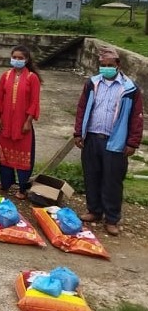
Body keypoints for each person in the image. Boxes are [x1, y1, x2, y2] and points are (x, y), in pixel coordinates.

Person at [73, 47, 143, 236]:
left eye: (109, 66)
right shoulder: (92, 83)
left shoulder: (129, 89)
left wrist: (132, 142)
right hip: (92, 137)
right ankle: (94, 210)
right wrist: (78, 132)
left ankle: (112, 218)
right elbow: (81, 108)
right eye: (102, 66)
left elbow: (137, 117)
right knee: (91, 175)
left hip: (115, 141)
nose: (106, 69)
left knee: (112, 180)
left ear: (118, 65)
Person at [0, 45, 41, 200]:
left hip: (22, 123)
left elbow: (34, 102)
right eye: (15, 57)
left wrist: (28, 122)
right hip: (5, 122)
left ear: (26, 60)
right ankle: (5, 183)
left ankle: (23, 188)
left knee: (24, 156)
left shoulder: (32, 78)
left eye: (20, 58)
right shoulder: (5, 76)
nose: (17, 60)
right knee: (4, 153)